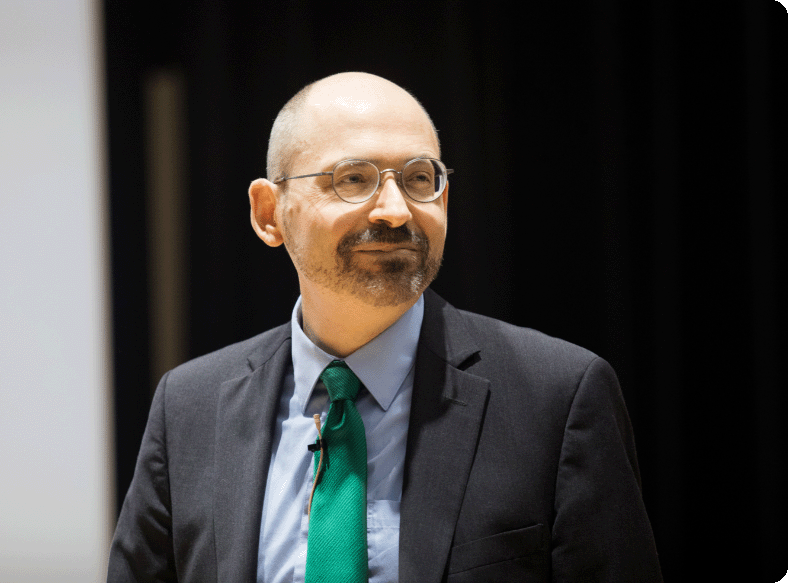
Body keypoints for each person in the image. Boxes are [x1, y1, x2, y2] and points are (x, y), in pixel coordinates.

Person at [107, 72, 663, 582]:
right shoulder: (190, 406)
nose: (395, 210)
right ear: (268, 213)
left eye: (420, 178)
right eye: (354, 178)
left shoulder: (558, 397)